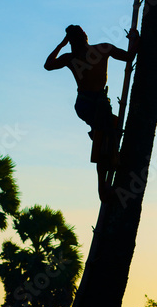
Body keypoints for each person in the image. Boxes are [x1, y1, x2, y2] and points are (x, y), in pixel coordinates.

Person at [44, 25, 139, 202]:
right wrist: (62, 44)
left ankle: (107, 158)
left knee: (113, 127)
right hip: (88, 104)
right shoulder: (78, 55)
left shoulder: (92, 51)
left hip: (96, 104)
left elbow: (128, 57)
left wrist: (136, 40)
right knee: (104, 137)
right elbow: (47, 66)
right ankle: (102, 190)